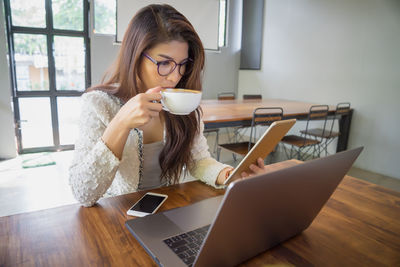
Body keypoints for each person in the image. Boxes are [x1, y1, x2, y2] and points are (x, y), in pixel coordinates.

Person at [69, 4, 267, 207]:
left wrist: (229, 175)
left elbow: (198, 162)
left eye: (182, 65)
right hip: (118, 216)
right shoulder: (99, 104)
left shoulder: (182, 108)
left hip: (168, 210)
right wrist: (120, 122)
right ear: (135, 57)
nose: (175, 77)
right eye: (164, 63)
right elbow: (83, 193)